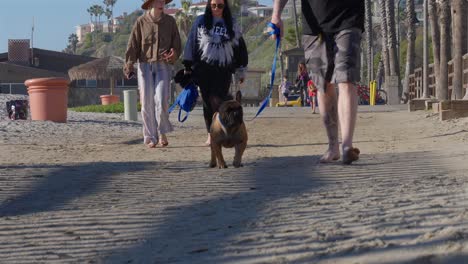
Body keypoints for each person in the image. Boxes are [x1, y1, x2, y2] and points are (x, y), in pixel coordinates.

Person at [270, 0, 364, 164]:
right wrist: (276, 15)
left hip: (349, 17)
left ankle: (347, 146)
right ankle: (333, 146)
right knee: (322, 84)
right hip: (314, 26)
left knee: (346, 78)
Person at [183, 0, 248, 146]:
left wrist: (241, 69)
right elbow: (192, 42)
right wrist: (188, 65)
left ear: (225, 7)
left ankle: (223, 131)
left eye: (220, 5)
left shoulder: (231, 23)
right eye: (213, 6)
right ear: (209, 6)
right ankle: (211, 134)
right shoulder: (201, 21)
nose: (216, 9)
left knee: (220, 101)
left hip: (224, 69)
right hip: (204, 69)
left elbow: (239, 46)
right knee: (207, 102)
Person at [124, 0, 181, 148]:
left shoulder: (170, 22)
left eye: (163, 0)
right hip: (144, 65)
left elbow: (177, 44)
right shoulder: (140, 22)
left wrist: (174, 54)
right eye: (157, 0)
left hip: (163, 65)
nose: (161, 3)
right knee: (146, 103)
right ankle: (150, 136)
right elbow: (133, 44)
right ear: (150, 3)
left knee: (161, 100)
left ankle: (162, 131)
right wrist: (129, 64)